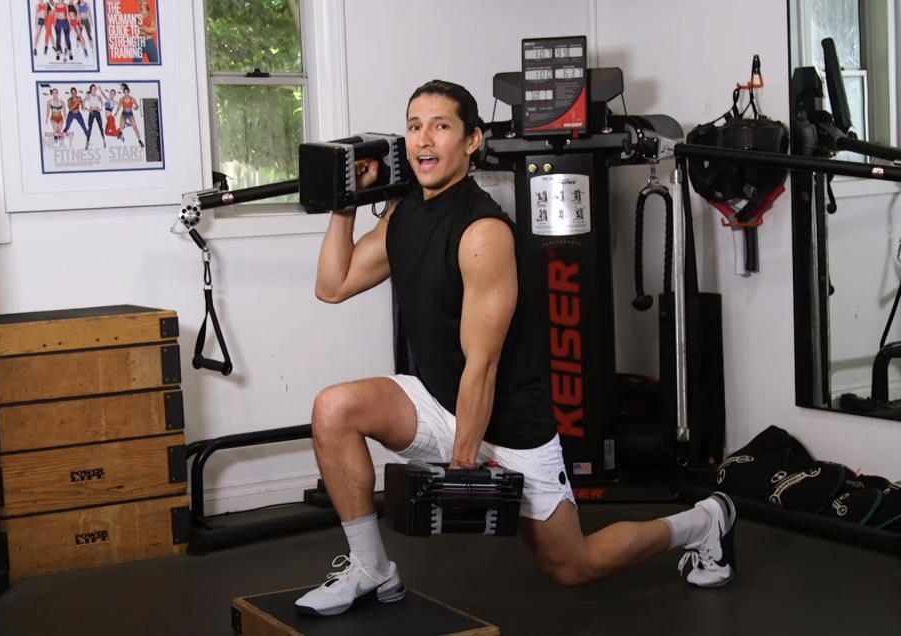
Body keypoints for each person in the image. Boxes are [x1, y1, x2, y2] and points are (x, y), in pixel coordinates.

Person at [295, 79, 738, 617]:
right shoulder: (404, 214)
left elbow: (483, 365)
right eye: (415, 127)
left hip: (506, 424)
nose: (424, 140)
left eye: (441, 126)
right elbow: (333, 285)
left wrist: (463, 469)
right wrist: (346, 201)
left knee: (573, 565)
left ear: (472, 140)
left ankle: (702, 522)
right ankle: (371, 570)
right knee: (332, 409)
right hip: (439, 401)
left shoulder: (482, 232)